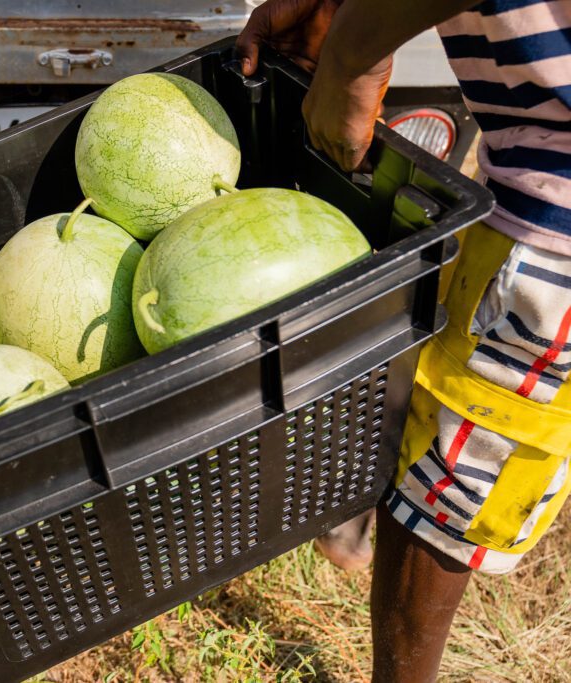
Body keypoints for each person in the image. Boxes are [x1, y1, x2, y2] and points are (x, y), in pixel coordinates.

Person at [238, 0, 571, 679]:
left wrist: (354, 52)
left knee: (449, 486)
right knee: (431, 435)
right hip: (525, 156)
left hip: (555, 204)